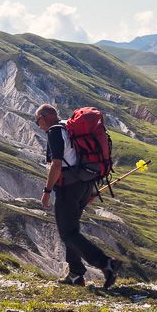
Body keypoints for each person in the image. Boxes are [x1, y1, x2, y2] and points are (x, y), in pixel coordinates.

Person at [35, 104, 120, 289]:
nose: (38, 125)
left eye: (38, 121)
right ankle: (75, 275)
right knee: (72, 230)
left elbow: (56, 164)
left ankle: (106, 263)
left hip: (68, 188)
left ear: (46, 116)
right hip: (85, 184)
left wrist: (47, 191)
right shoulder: (69, 127)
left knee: (67, 233)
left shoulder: (55, 132)